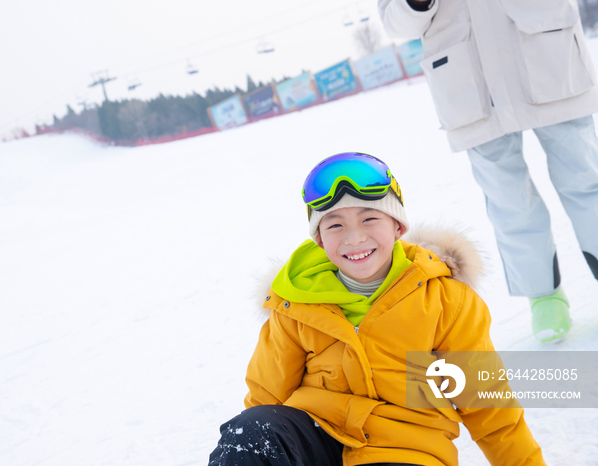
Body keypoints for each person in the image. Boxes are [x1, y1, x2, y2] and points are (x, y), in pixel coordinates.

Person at [208, 152, 545, 466]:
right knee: (250, 433)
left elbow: (488, 406)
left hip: (406, 448)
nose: (354, 238)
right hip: (317, 435)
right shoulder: (295, 301)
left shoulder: (444, 301)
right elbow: (266, 398)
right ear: (320, 239)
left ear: (398, 227)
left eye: (369, 219)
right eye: (335, 225)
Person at [377, 0, 598, 343]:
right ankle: (543, 295)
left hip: (546, 54)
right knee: (510, 203)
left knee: (585, 180)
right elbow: (395, 23)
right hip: (468, 81)